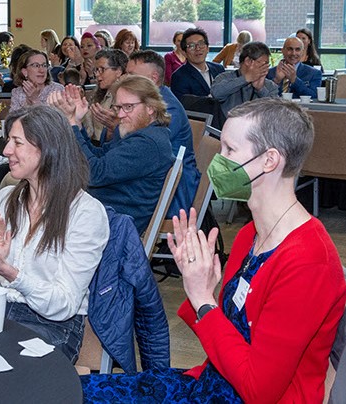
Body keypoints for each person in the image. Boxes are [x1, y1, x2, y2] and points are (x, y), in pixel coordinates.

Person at [81, 98, 346, 403]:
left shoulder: (309, 262)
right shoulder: (252, 234)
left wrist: (203, 300)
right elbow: (227, 338)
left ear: (269, 161)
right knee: (74, 391)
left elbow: (259, 390)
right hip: (214, 383)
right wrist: (203, 287)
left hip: (245, 396)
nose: (218, 162)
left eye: (230, 151)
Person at [0, 104, 109, 363]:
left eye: (17, 142)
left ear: (47, 149)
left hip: (55, 327)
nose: (7, 150)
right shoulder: (6, 198)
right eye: (9, 141)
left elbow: (64, 305)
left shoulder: (85, 213)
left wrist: (9, 272)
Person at [51, 76, 174, 234]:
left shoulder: (147, 144)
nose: (121, 115)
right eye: (118, 108)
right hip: (101, 213)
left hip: (112, 225)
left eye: (128, 107)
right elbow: (99, 155)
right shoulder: (144, 134)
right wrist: (77, 122)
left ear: (150, 107)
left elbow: (94, 173)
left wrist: (71, 123)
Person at [127, 50, 200, 217]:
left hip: (170, 190)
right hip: (152, 177)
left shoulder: (167, 108)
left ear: (153, 78)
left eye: (132, 75)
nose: (125, 80)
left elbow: (141, 149)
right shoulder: (148, 101)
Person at [211, 42, 279, 116]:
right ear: (248, 61)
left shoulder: (270, 85)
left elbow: (275, 111)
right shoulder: (224, 78)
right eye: (263, 63)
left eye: (267, 64)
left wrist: (260, 89)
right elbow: (216, 94)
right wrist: (245, 79)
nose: (266, 67)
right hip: (228, 126)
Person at [83, 49, 127, 142]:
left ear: (118, 71)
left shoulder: (127, 98)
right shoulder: (99, 92)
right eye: (96, 70)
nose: (97, 75)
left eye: (102, 70)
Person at [171, 28, 225, 100]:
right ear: (184, 53)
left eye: (201, 44)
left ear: (208, 48)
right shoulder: (179, 76)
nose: (198, 48)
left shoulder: (219, 69)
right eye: (191, 46)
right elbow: (185, 106)